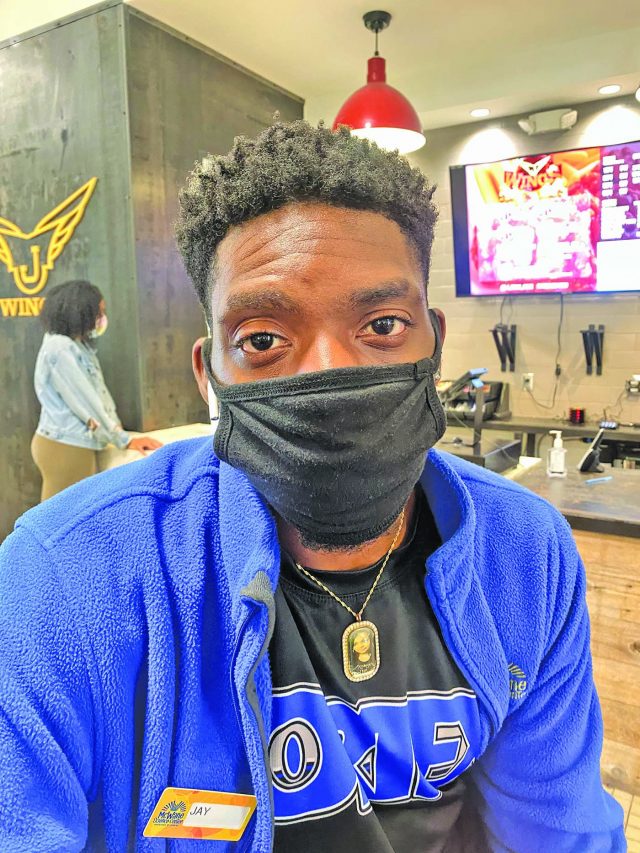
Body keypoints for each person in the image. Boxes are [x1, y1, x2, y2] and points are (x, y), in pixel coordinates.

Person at [0, 122, 624, 852]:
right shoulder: (65, 579)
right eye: (263, 340)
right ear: (209, 376)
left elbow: (560, 831)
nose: (330, 373)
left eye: (382, 324)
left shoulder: (523, 554)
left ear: (435, 343)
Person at [30, 280, 162, 500]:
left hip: (69, 444)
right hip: (67, 447)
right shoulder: (61, 349)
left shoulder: (74, 346)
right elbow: (87, 402)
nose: (101, 318)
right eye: (98, 312)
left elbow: (98, 396)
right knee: (66, 516)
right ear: (80, 312)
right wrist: (123, 439)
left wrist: (116, 431)